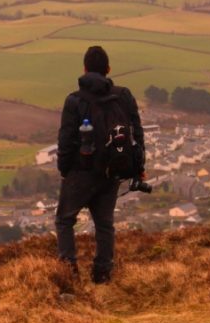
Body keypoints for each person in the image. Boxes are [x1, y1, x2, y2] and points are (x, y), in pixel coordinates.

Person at [55, 46, 145, 284]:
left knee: (65, 220)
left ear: (84, 69)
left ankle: (69, 270)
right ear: (108, 69)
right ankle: (103, 272)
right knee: (105, 224)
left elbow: (65, 140)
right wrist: (137, 167)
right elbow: (137, 133)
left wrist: (65, 170)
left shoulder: (74, 101)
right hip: (113, 170)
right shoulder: (123, 96)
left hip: (81, 172)